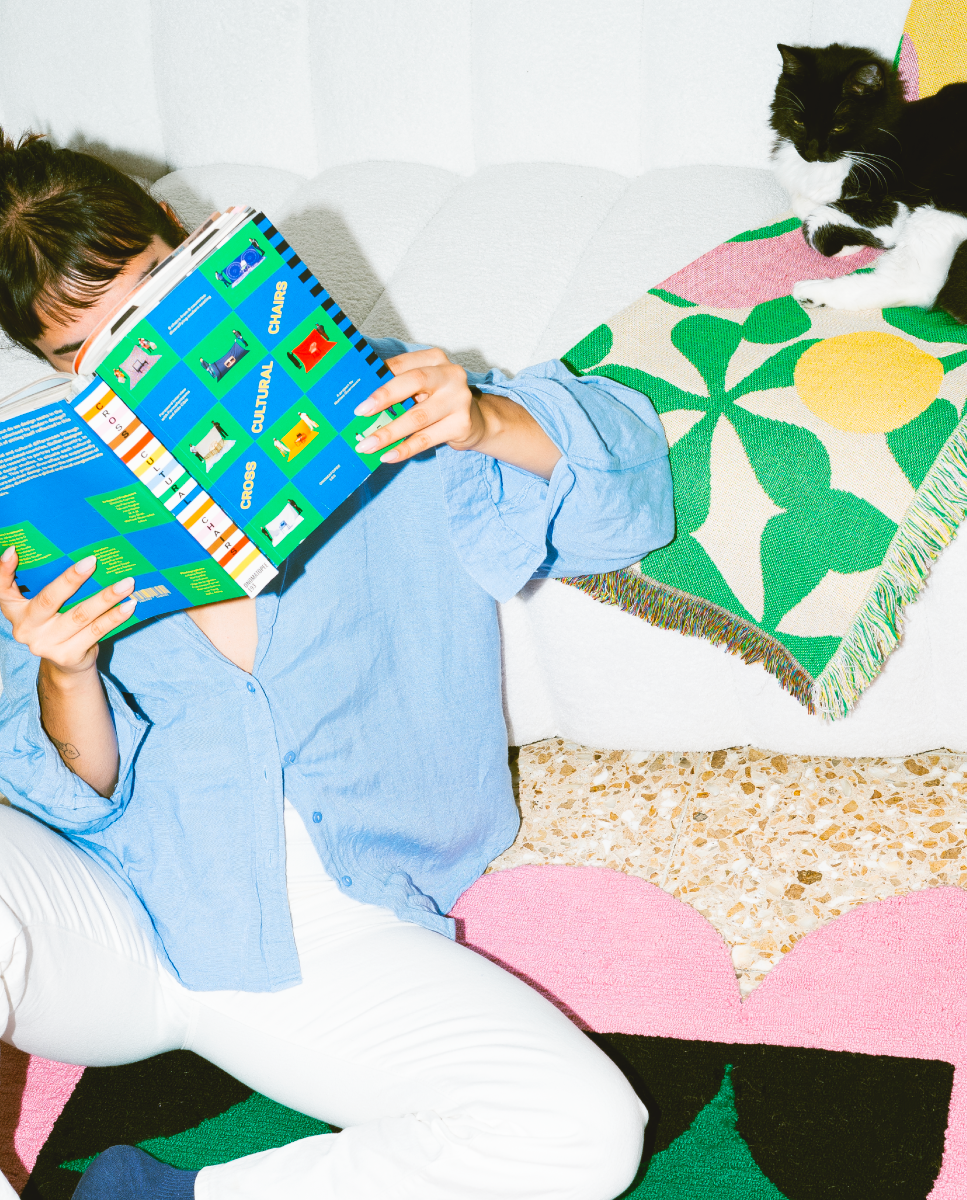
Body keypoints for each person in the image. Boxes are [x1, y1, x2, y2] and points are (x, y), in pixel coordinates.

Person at [0, 130, 674, 1200]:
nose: (130, 355)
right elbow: (69, 795)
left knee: (583, 1132)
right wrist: (65, 671)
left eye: (149, 295)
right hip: (107, 915)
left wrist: (487, 419)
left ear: (187, 242)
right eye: (84, 350)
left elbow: (629, 506)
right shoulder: (51, 500)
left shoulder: (383, 414)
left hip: (328, 936)